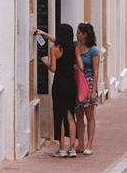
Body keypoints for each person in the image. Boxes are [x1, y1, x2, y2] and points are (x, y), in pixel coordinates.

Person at [36, 23, 82, 156]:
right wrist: (44, 34)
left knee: (59, 116)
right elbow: (80, 66)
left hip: (59, 84)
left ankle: (62, 148)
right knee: (70, 115)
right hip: (71, 84)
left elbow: (53, 69)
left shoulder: (54, 49)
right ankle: (72, 148)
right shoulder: (75, 48)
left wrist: (45, 62)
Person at [75, 22, 100, 154]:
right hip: (77, 83)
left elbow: (96, 71)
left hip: (89, 83)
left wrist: (94, 90)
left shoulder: (93, 50)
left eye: (78, 32)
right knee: (78, 115)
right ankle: (80, 144)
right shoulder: (75, 45)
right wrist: (44, 34)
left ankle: (89, 145)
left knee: (89, 115)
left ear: (85, 35)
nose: (76, 34)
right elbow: (59, 40)